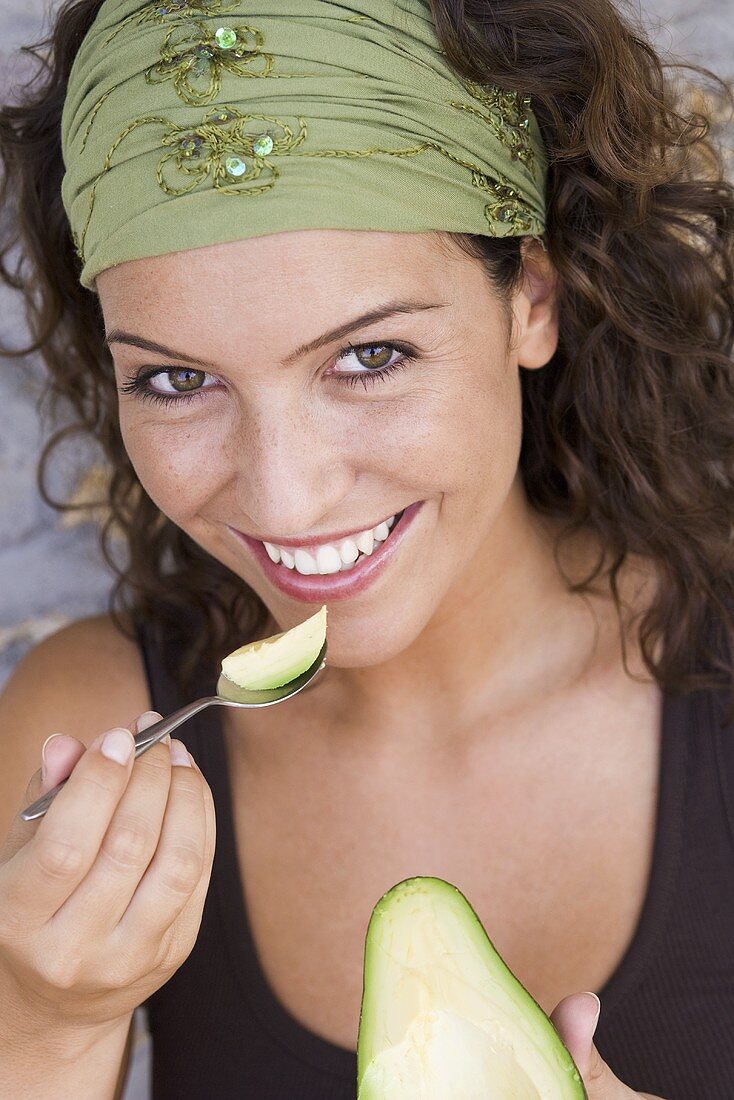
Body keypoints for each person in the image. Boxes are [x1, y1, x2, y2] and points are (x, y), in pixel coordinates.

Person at [0, 0, 732, 1096]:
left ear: (529, 296)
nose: (285, 494)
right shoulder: (94, 716)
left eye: (370, 354)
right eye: (177, 378)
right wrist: (47, 1023)